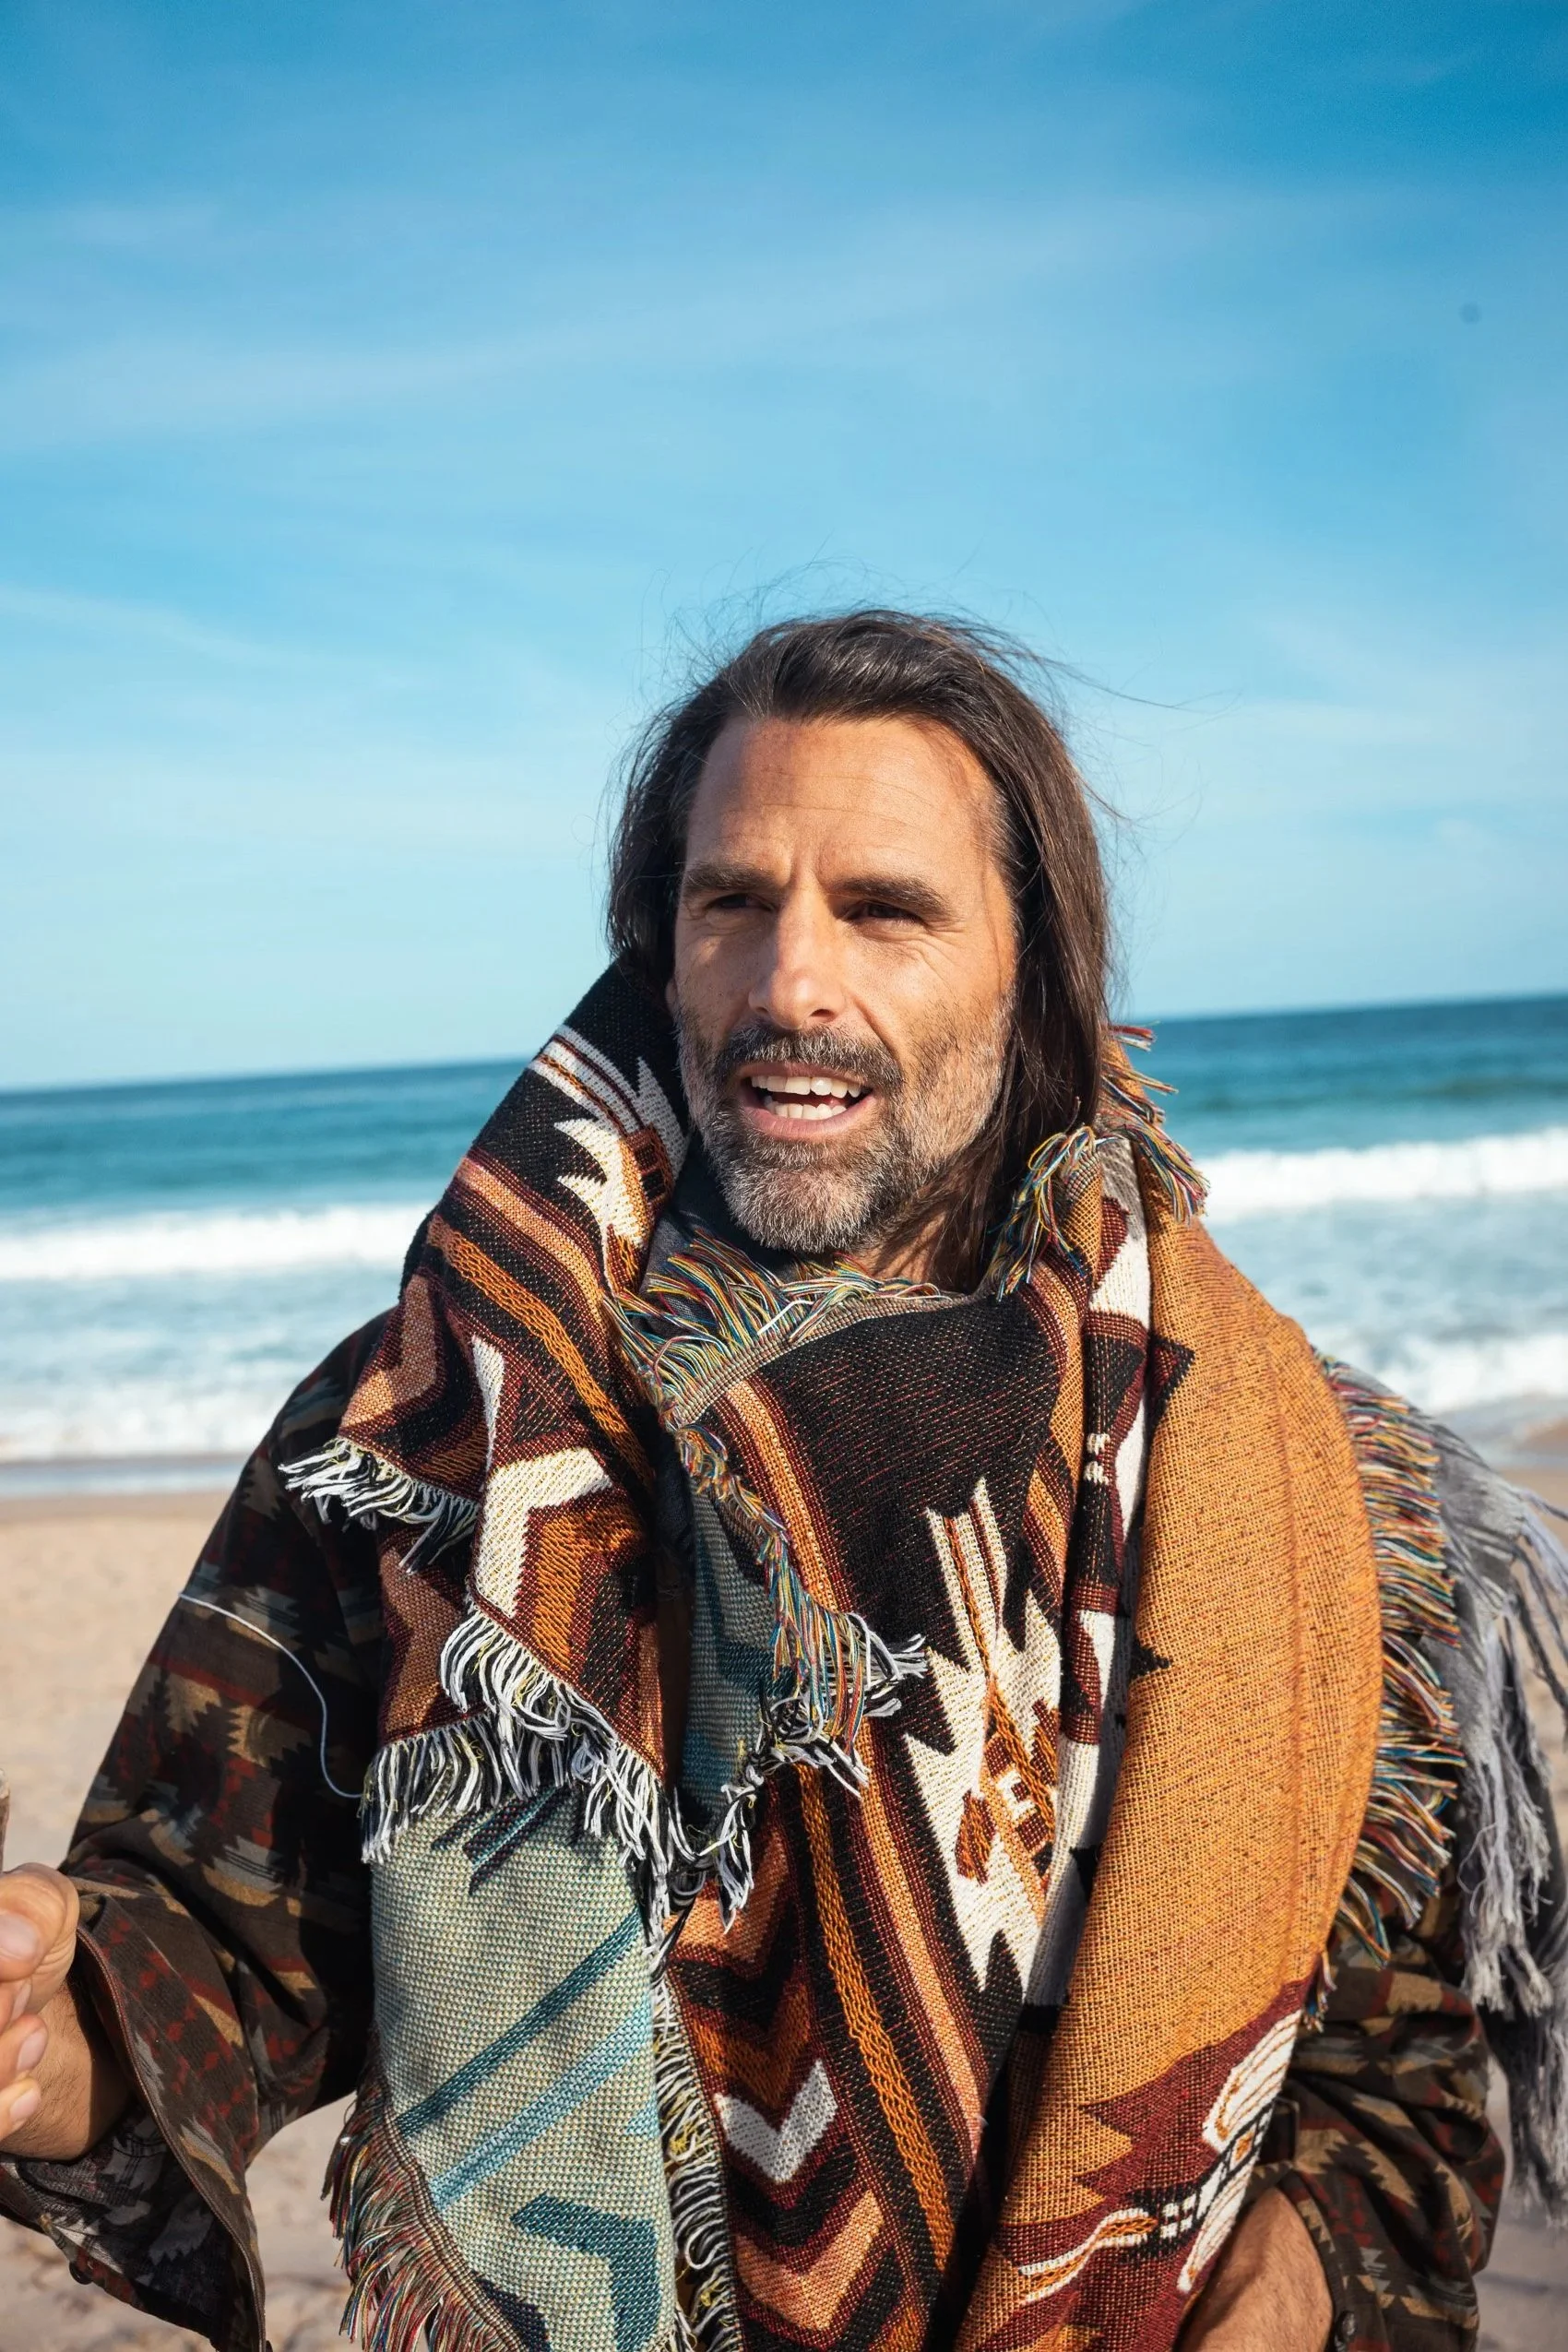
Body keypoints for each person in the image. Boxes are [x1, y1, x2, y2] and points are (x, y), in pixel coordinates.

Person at [1, 611, 1563, 2352]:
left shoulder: (1282, 1480)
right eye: (731, 901)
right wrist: (51, 2036)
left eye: (884, 909)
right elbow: (213, 1947)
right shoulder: (446, 1419)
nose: (790, 980)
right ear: (659, 950)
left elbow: (1396, 2084)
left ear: (1033, 971)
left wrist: (1298, 2262)